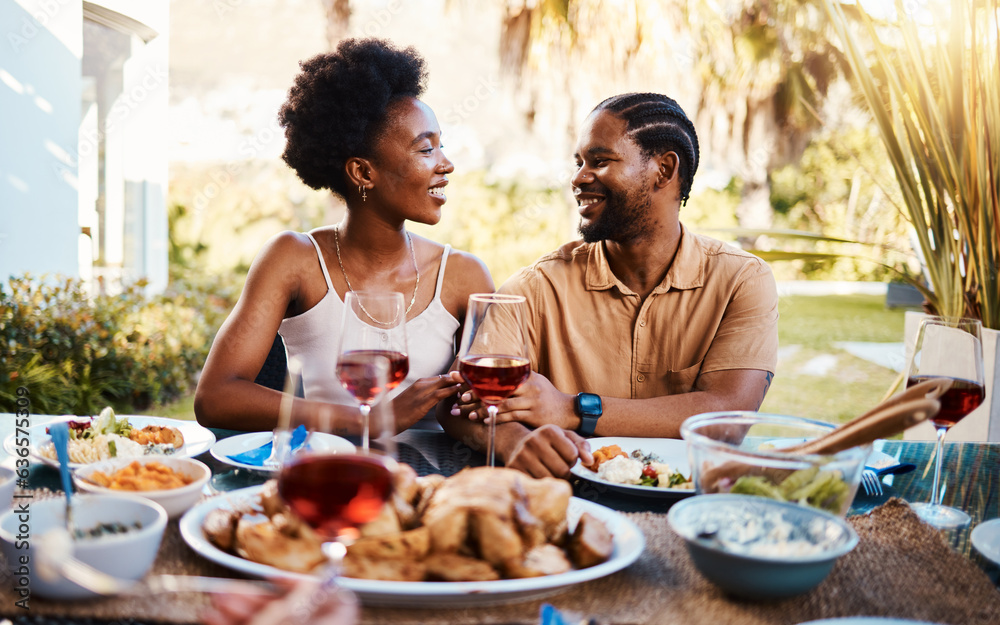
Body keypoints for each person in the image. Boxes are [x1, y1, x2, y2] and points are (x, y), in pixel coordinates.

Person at [439, 92, 778, 479]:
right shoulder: (534, 287)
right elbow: (456, 402)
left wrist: (570, 408)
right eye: (579, 162)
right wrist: (512, 439)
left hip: (689, 502)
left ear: (664, 170)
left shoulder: (742, 280)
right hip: (572, 499)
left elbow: (728, 417)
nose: (578, 178)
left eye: (599, 161)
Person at [195, 38, 494, 434]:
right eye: (426, 150)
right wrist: (368, 421)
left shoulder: (463, 275)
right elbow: (216, 396)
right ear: (363, 173)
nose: (447, 164)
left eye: (442, 146)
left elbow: (480, 410)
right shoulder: (293, 258)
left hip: (432, 481)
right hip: (327, 475)